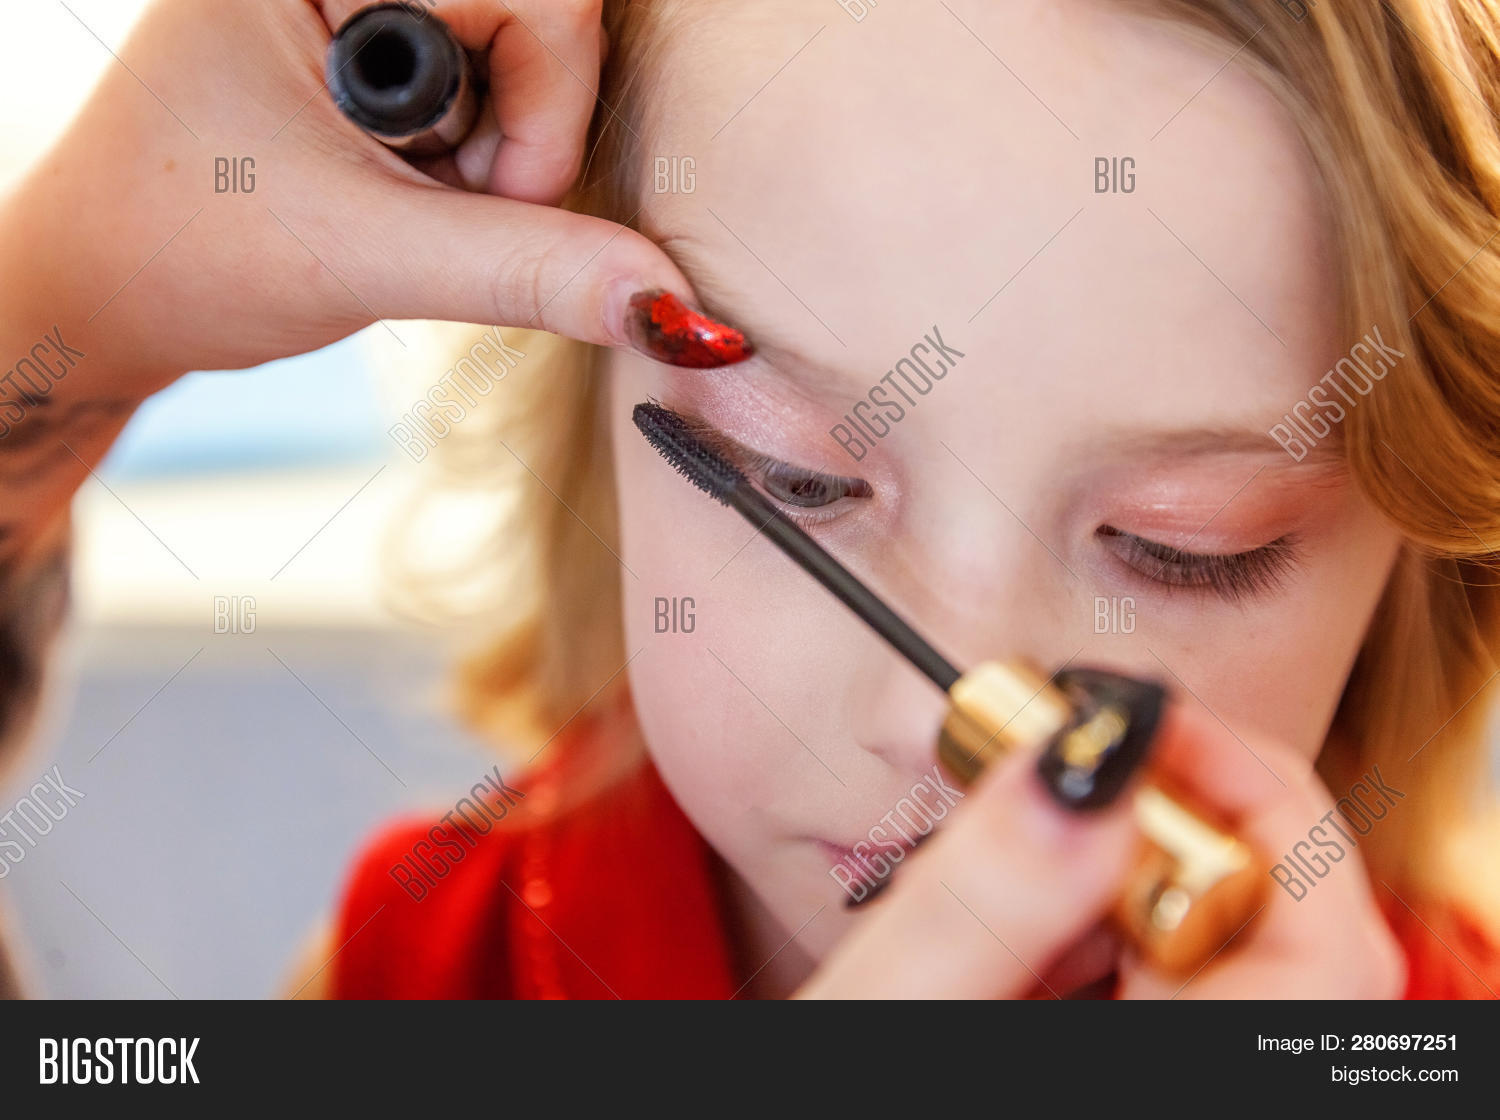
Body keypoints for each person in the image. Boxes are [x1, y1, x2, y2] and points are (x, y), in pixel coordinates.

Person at [4, 0, 1498, 999]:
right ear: (596, 413)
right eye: (794, 479)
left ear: (1428, 556)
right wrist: (59, 294)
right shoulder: (436, 965)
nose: (944, 720)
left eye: (1184, 549)